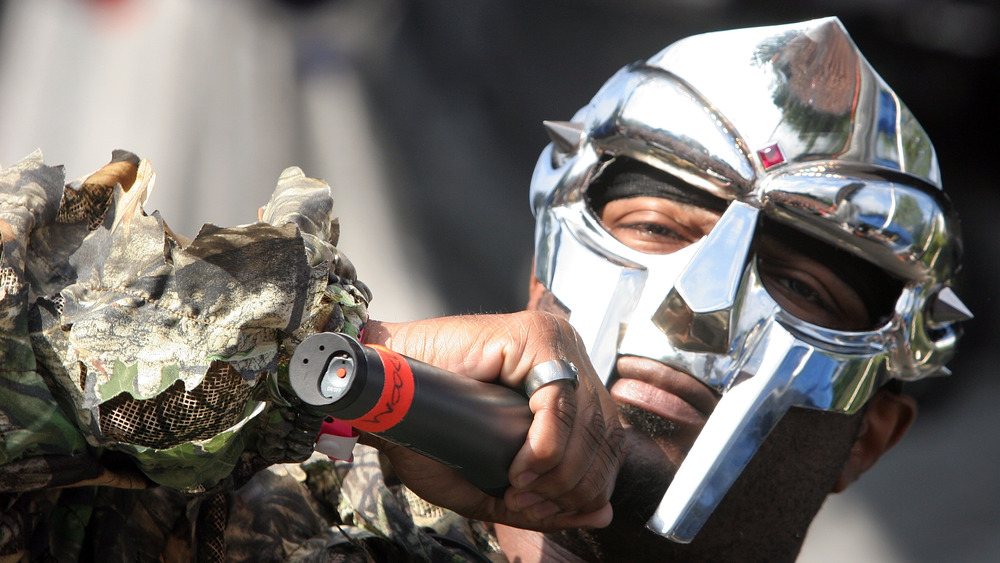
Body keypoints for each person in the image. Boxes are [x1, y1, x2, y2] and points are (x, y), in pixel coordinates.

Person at [0, 16, 971, 562]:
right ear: (542, 277)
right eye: (652, 228)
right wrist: (305, 364)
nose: (695, 303)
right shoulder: (251, 524)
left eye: (797, 284)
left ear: (870, 434)